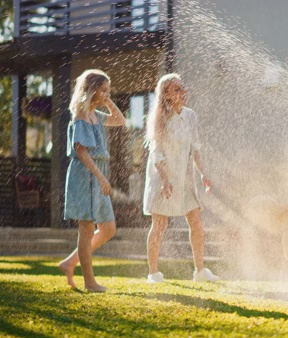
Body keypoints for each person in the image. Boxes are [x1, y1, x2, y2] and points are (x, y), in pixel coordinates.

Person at [143, 73, 219, 283]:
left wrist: (203, 173)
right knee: (159, 225)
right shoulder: (159, 119)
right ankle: (153, 273)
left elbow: (195, 149)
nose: (183, 92)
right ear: (166, 94)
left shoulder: (190, 116)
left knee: (196, 221)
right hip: (162, 177)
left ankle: (200, 271)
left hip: (185, 178)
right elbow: (157, 155)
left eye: (183, 88)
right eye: (177, 89)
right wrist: (166, 181)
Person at [58, 69, 126, 292]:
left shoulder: (96, 115)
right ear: (91, 90)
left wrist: (107, 101)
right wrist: (101, 178)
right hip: (85, 175)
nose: (107, 94)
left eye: (108, 90)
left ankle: (70, 262)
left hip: (98, 173)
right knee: (86, 230)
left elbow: (120, 120)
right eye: (103, 90)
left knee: (108, 228)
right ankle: (90, 282)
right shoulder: (81, 115)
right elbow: (81, 151)